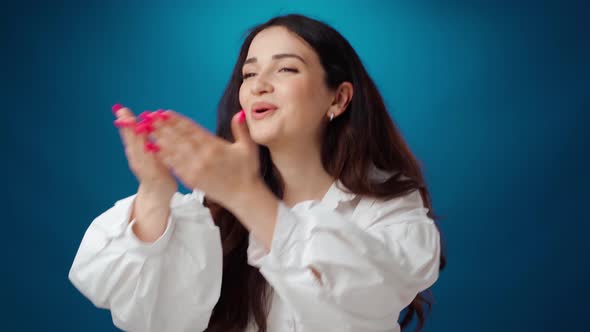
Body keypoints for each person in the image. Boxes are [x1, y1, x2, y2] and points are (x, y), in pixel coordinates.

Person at [69, 13, 446, 332]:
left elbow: (358, 302)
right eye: (249, 75)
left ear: (339, 98)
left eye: (285, 68)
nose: (259, 86)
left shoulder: (388, 207)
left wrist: (246, 195)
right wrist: (155, 192)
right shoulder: (211, 208)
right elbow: (156, 318)